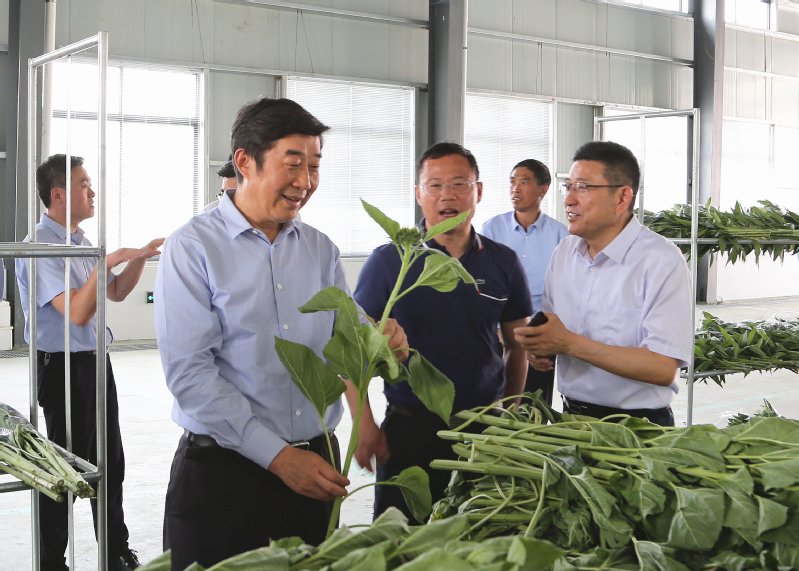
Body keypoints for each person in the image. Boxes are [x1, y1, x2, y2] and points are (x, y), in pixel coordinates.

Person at [154, 97, 408, 571]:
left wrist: (380, 337)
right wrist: (278, 457)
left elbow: (345, 332)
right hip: (225, 473)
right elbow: (190, 376)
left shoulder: (319, 249)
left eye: (315, 166)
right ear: (245, 161)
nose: (305, 182)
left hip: (315, 467)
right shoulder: (192, 248)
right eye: (293, 164)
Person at [351, 142, 532, 524]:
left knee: (481, 537)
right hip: (409, 430)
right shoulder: (391, 261)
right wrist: (363, 424)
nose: (447, 195)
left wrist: (510, 412)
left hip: (483, 431)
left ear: (478, 191)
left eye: (459, 184)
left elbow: (517, 345)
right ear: (419, 194)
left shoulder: (503, 262)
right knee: (402, 539)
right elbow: (351, 348)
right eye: (434, 185)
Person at [15, 154, 163, 571]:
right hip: (62, 368)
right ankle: (51, 561)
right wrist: (110, 259)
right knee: (63, 468)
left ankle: (114, 551)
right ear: (58, 194)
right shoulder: (41, 247)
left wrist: (139, 257)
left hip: (95, 362)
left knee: (110, 462)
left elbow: (115, 292)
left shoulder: (79, 242)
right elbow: (78, 313)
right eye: (84, 185)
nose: (92, 192)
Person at [514, 141, 693, 427]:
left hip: (637, 428)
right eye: (568, 187)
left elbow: (662, 367)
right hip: (571, 419)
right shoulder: (564, 253)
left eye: (582, 188)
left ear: (622, 198)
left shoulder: (660, 260)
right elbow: (552, 329)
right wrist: (539, 349)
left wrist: (570, 343)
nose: (569, 200)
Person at [481, 159, 569, 406]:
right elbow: (483, 286)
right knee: (492, 407)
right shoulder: (492, 229)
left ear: (543, 189)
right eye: (512, 182)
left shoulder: (561, 236)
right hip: (497, 333)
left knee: (534, 407)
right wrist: (500, 333)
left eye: (524, 182)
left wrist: (540, 338)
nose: (515, 189)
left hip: (541, 335)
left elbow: (565, 293)